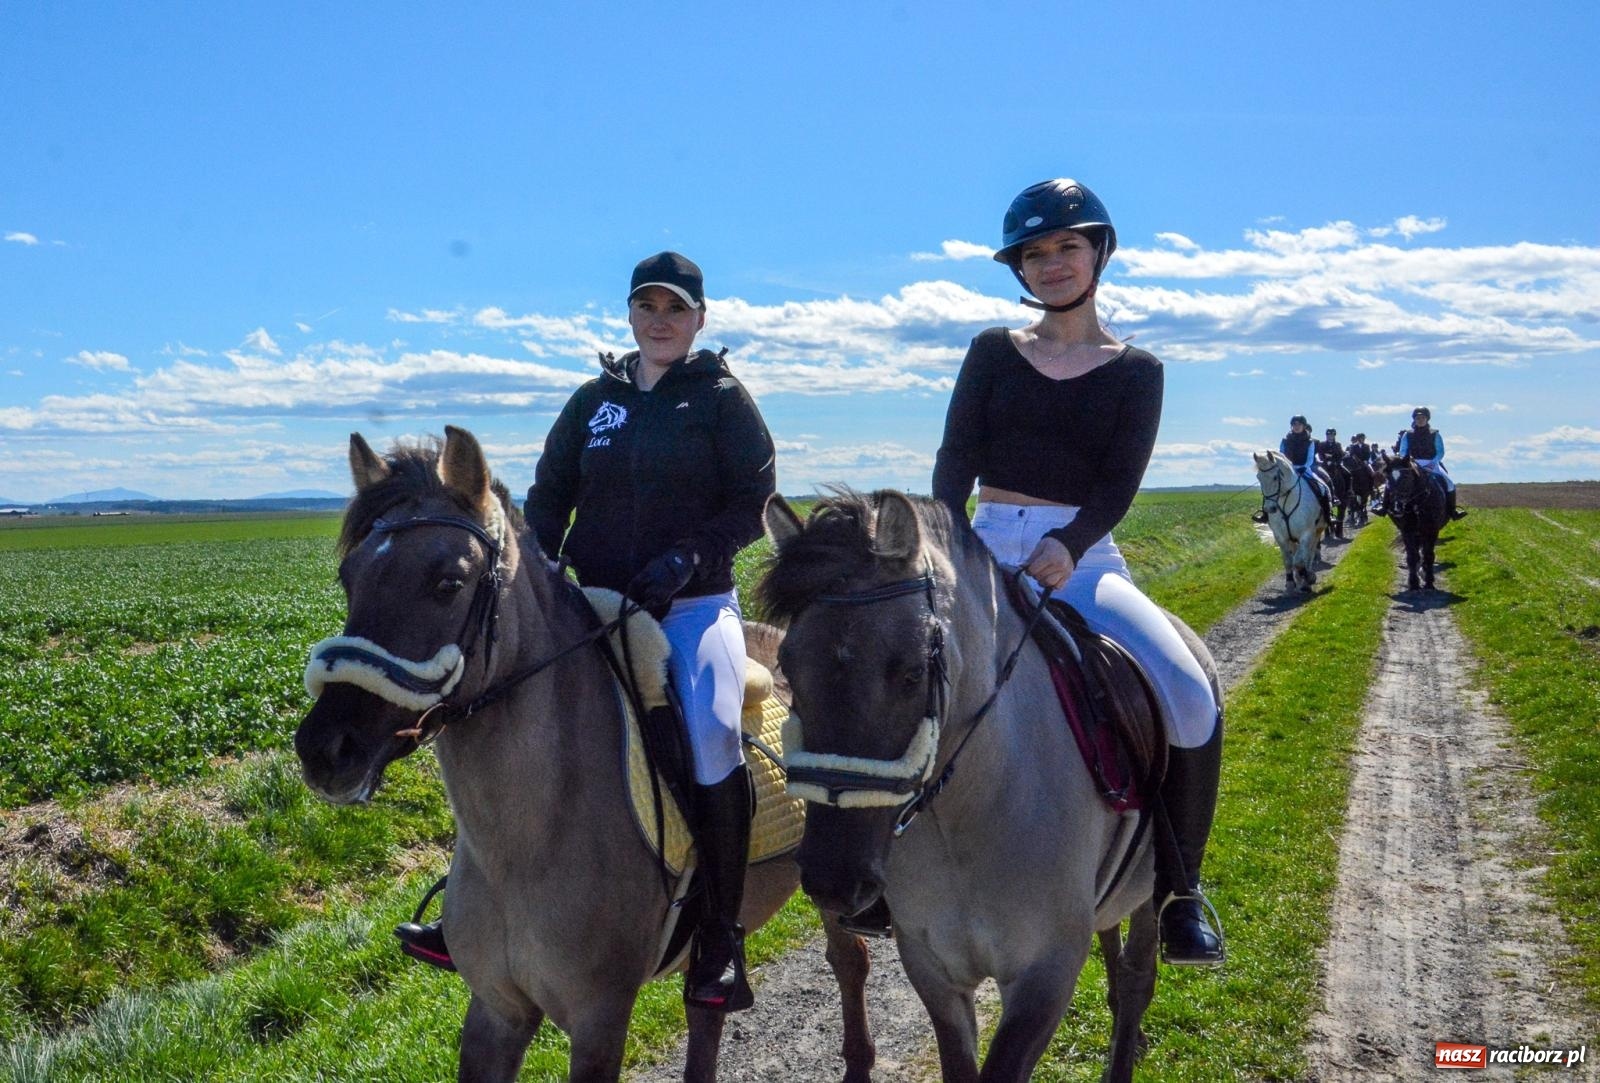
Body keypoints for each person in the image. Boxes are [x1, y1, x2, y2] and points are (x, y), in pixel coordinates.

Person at [397, 251, 777, 1013]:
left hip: (693, 605)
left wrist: (689, 558)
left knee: (709, 732)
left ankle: (720, 937)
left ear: (699, 319)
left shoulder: (723, 400)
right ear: (630, 316)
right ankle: (467, 911)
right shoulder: (592, 402)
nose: (661, 320)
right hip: (593, 600)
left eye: (676, 308)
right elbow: (547, 495)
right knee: (504, 719)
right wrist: (537, 572)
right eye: (648, 307)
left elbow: (751, 500)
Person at [931, 178, 1224, 966]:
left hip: (1084, 559)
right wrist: (957, 546)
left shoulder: (1137, 370)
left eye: (1067, 246)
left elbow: (1119, 481)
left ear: (1099, 252)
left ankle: (1182, 892)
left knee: (1190, 695)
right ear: (1019, 270)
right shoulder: (993, 351)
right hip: (986, 545)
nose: (1052, 263)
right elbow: (953, 461)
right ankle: (881, 875)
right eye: (1035, 252)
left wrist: (1069, 543)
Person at [1395, 406, 1467, 520]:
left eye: (1422, 417)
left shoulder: (1435, 434)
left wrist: (1433, 463)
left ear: (1427, 419)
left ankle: (1452, 510)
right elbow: (1403, 451)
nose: (1420, 420)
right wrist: (1408, 462)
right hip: (1412, 464)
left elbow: (1440, 452)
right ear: (1414, 419)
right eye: (1418, 418)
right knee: (1394, 480)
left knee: (1449, 483)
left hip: (1431, 463)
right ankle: (1385, 507)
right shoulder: (1407, 434)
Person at [1279, 415, 1335, 524]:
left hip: (1304, 469)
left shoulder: (1310, 442)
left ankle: (1328, 515)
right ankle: (1266, 514)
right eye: (1294, 424)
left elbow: (1310, 459)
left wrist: (1302, 467)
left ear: (1304, 426)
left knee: (1323, 488)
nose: (1296, 426)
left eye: (1299, 424)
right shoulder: (1285, 440)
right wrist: (1289, 468)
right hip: (1288, 470)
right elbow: (1282, 456)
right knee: (1272, 486)